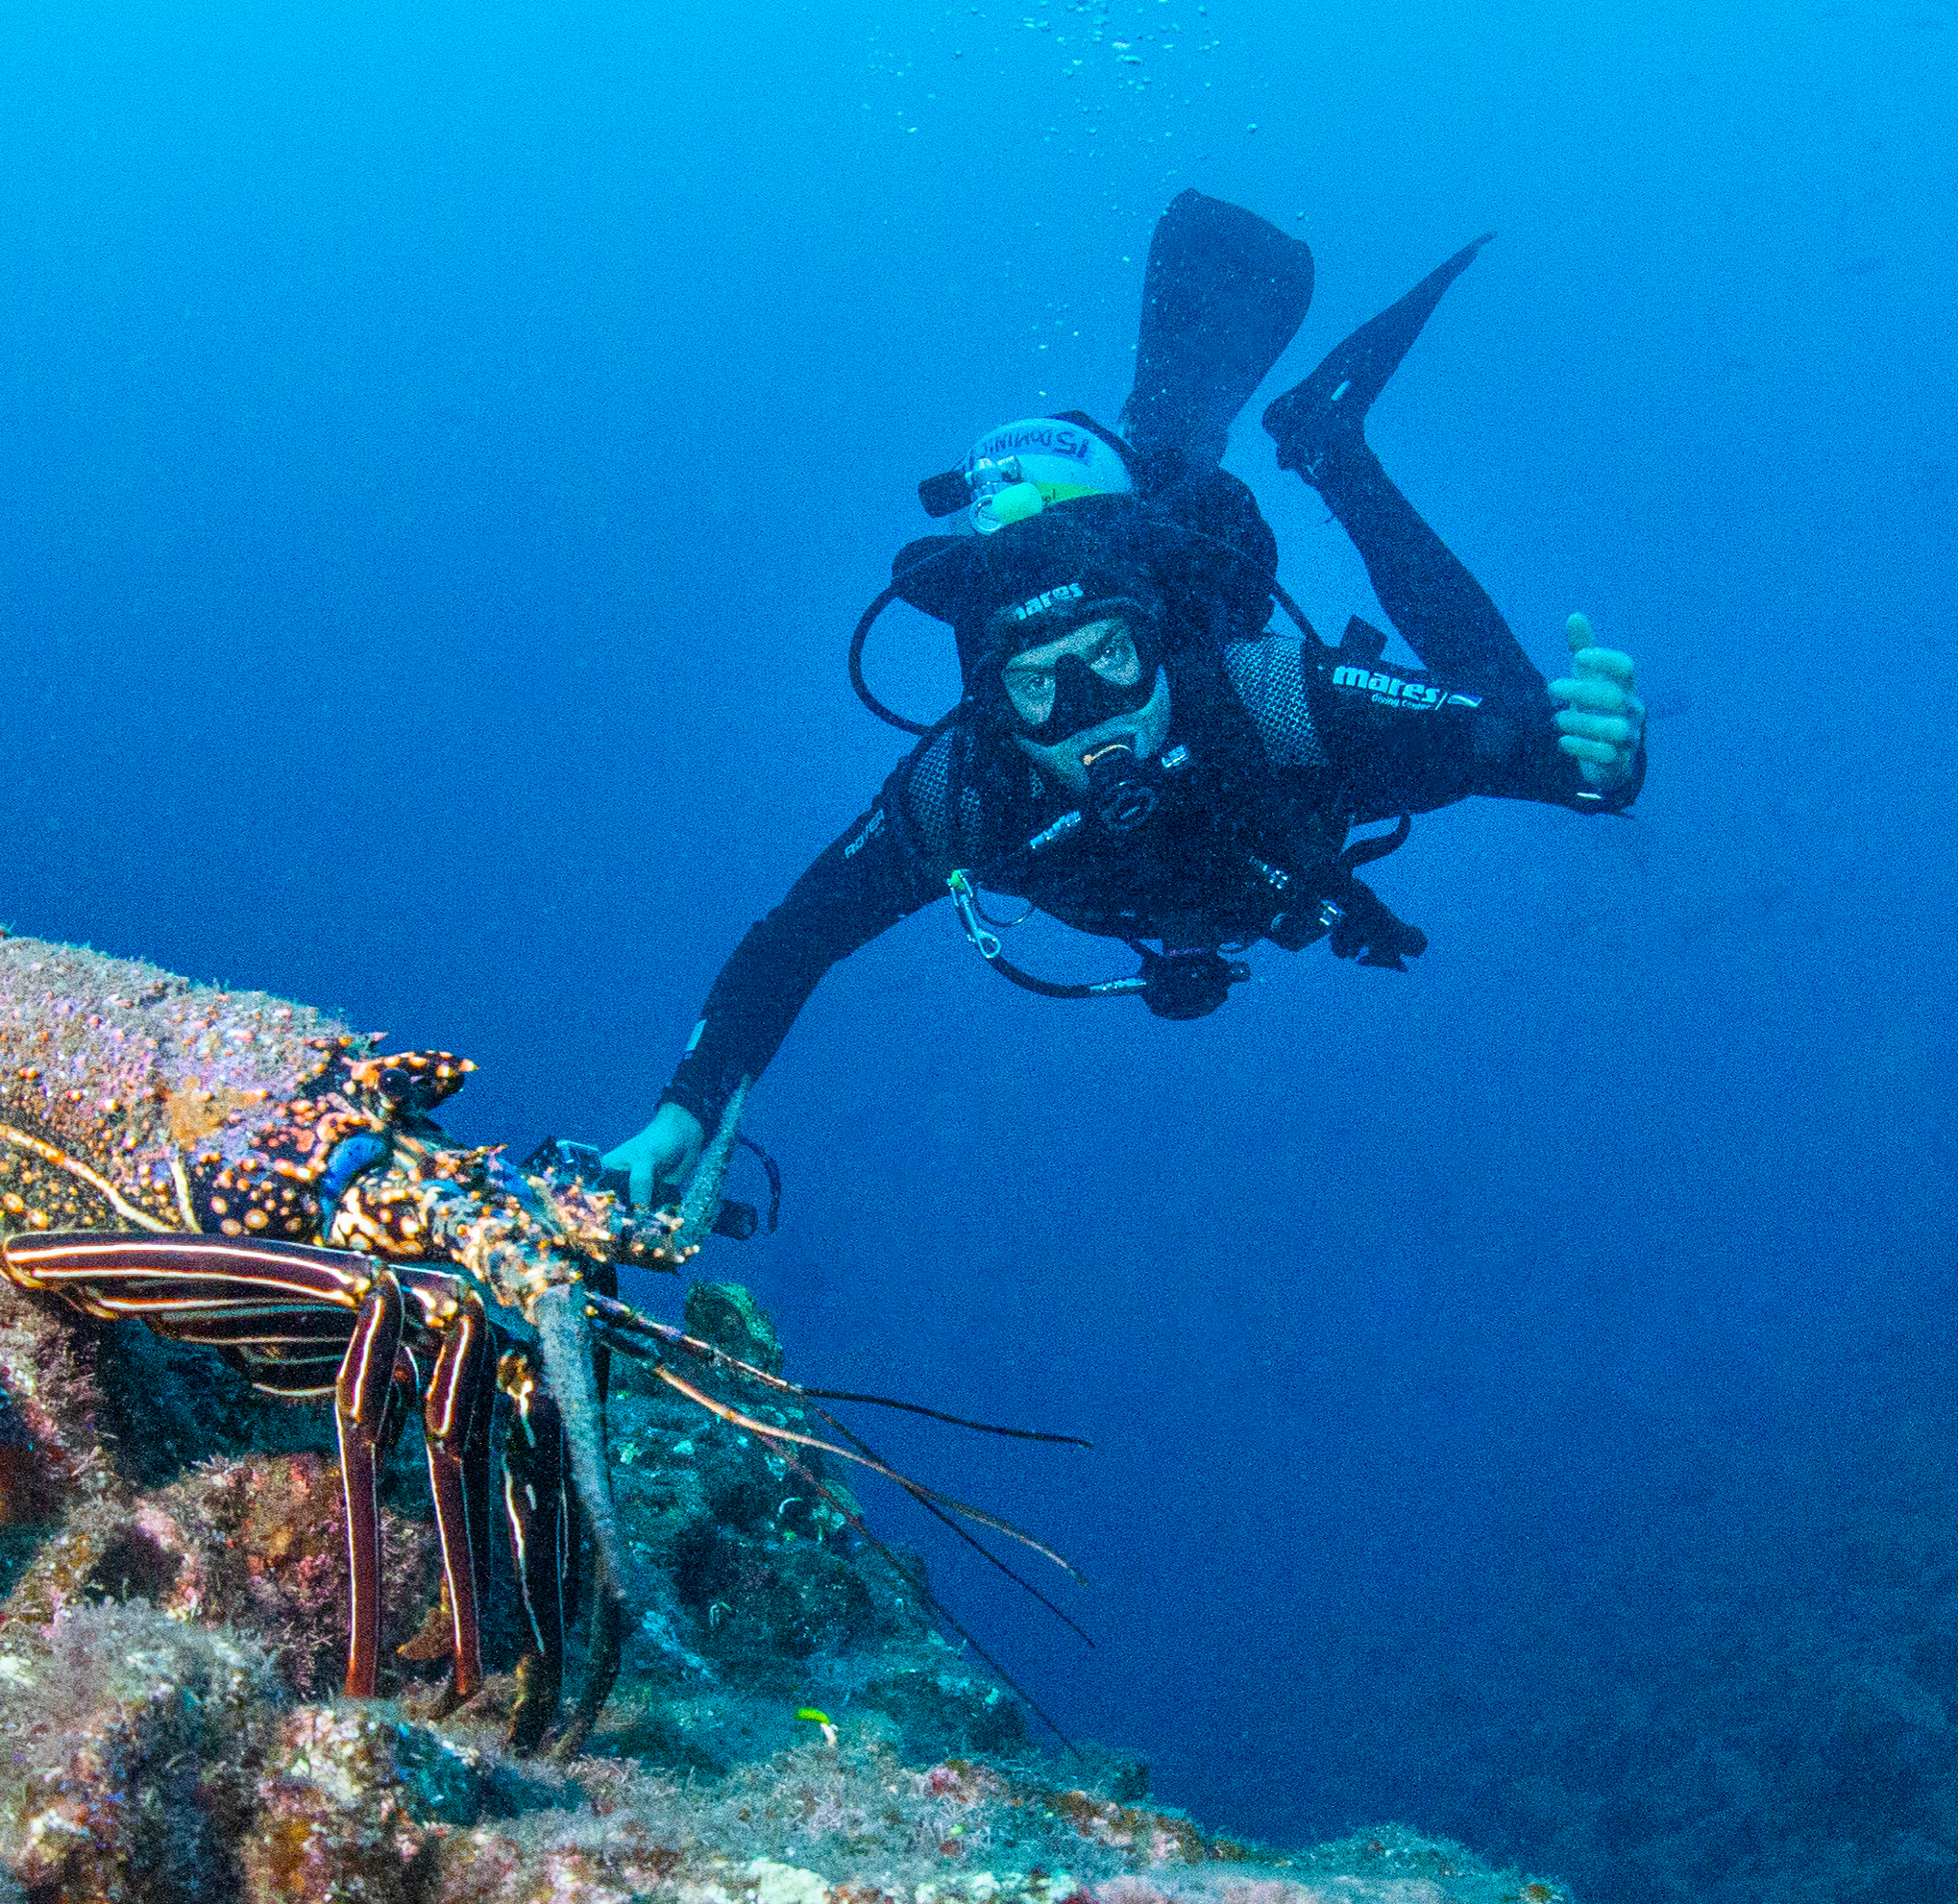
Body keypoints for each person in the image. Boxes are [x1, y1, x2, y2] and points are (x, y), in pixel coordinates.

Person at [602, 194, 1651, 1214]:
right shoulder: (961, 793)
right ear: (990, 704)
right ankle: (1158, 458)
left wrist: (1602, 755)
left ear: (1157, 647)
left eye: (1109, 656)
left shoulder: (1267, 697)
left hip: (1291, 779)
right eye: (1036, 683)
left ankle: (1325, 444)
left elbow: (1543, 764)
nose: (1088, 708)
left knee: (1523, 711)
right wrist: (683, 1113)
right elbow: (797, 935)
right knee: (1162, 481)